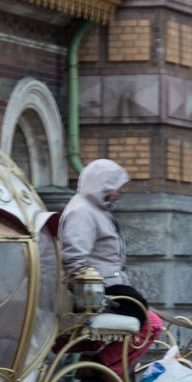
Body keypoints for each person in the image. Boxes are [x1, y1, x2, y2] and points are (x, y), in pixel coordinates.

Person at [59, 159, 160, 371]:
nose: (118, 194)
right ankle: (99, 371)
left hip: (108, 288)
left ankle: (100, 372)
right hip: (101, 292)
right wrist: (97, 298)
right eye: (115, 189)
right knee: (152, 326)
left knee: (146, 319)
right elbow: (74, 260)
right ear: (102, 186)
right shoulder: (82, 211)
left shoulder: (96, 210)